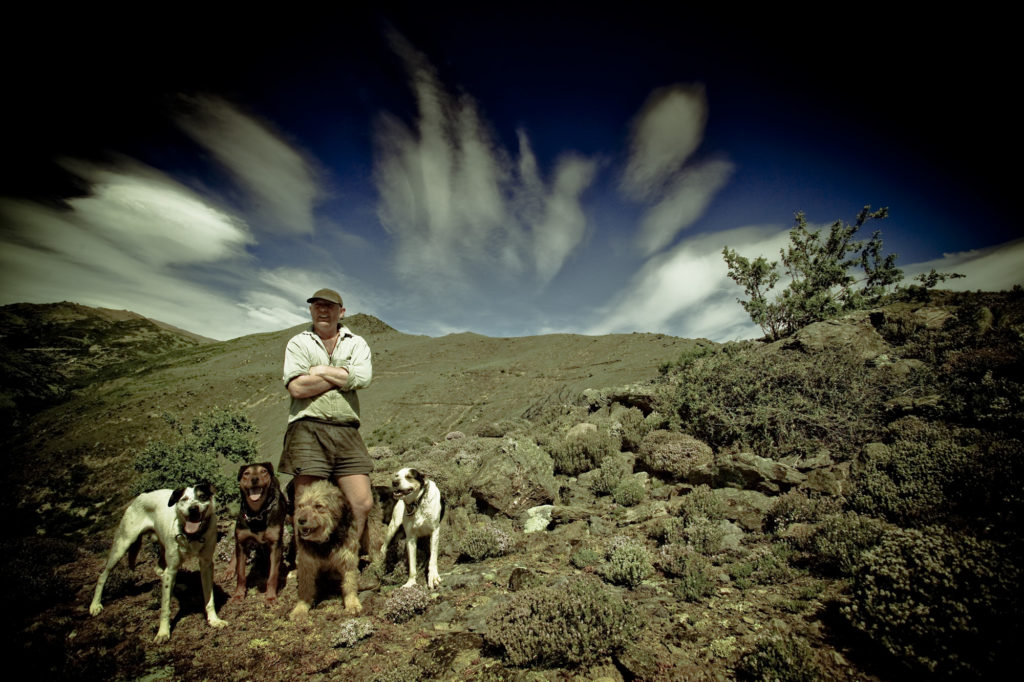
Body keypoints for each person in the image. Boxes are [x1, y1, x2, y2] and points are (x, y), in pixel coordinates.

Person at [278, 288, 375, 577]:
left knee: (362, 501)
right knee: (304, 502)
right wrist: (343, 378)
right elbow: (297, 387)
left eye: (330, 306)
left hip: (346, 429)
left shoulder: (357, 343)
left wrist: (318, 370)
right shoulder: (298, 342)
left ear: (341, 312)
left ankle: (345, 562)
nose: (323, 311)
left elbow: (365, 378)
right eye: (318, 306)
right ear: (310, 310)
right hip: (307, 427)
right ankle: (307, 567)